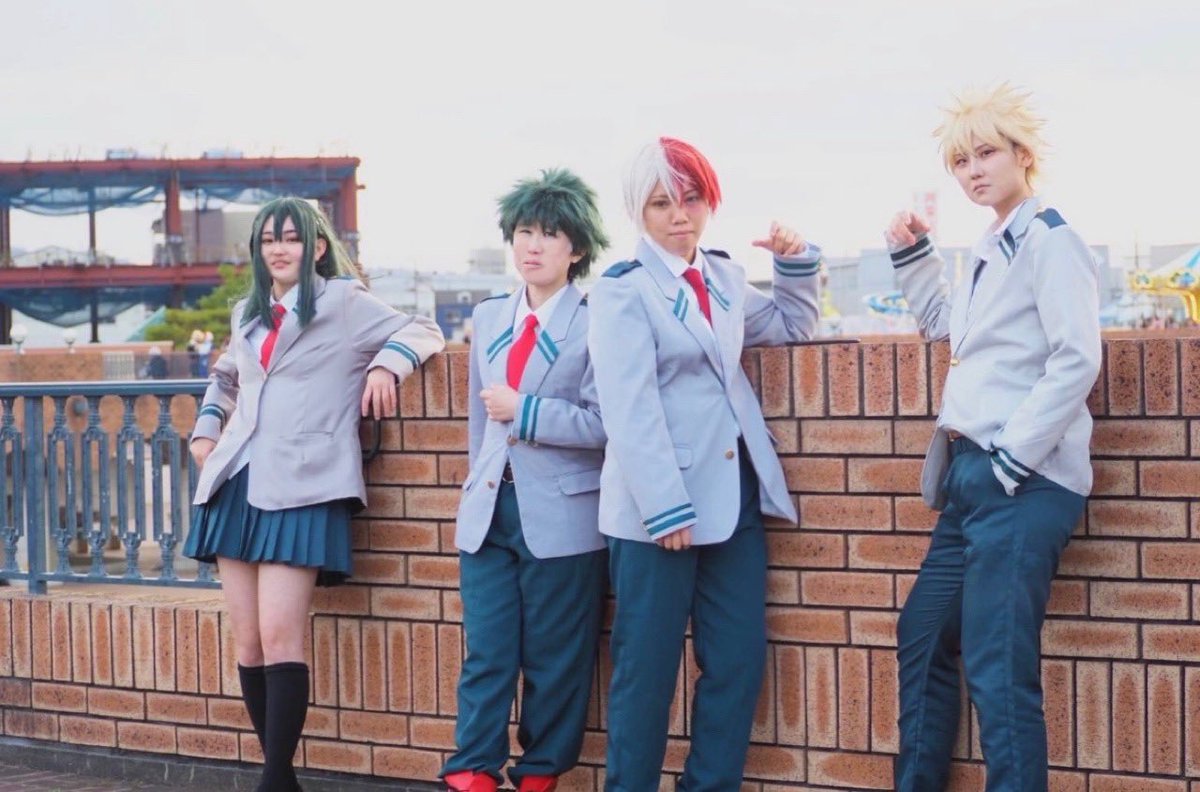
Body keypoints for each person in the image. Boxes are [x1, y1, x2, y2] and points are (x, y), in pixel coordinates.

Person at [184, 197, 445, 792]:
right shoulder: (248, 312)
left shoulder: (344, 302)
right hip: (237, 480)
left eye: (291, 238)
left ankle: (275, 779)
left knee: (282, 637)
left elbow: (422, 328)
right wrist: (205, 430)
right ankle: (281, 780)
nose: (279, 249)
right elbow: (225, 375)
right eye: (268, 240)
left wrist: (385, 367)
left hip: (304, 483)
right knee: (249, 643)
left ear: (317, 246)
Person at [588, 137, 822, 790]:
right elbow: (628, 408)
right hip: (657, 513)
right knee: (647, 674)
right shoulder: (621, 291)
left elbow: (792, 328)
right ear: (639, 212)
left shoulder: (722, 277)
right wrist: (665, 506)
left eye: (690, 198)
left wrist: (794, 262)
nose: (678, 215)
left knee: (737, 661)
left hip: (733, 498)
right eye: (661, 203)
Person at [885, 84, 1101, 792]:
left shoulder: (1051, 241)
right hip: (970, 480)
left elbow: (1077, 358)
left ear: (1022, 155)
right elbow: (948, 328)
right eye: (961, 161)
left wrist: (1011, 460)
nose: (973, 170)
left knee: (998, 671)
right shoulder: (991, 245)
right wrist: (913, 255)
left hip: (1021, 481)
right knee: (923, 634)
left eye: (986, 154)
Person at [442, 169, 610, 792]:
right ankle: (472, 767)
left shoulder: (597, 320)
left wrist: (528, 412)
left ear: (578, 248)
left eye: (549, 234)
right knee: (486, 648)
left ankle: (540, 771)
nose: (532, 246)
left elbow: (607, 423)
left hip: (564, 512)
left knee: (556, 657)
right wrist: (476, 483)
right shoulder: (490, 316)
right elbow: (478, 422)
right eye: (523, 232)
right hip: (489, 510)